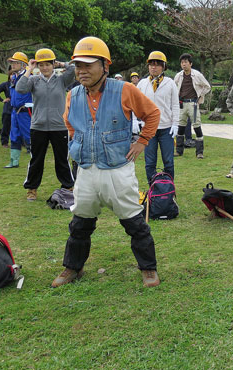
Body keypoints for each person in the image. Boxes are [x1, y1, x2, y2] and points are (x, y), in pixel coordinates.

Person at [51, 36, 161, 289]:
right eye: (78, 65)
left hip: (117, 170)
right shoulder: (73, 95)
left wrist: (142, 141)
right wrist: (76, 143)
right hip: (86, 171)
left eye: (88, 65)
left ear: (105, 66)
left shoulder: (124, 90)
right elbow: (69, 122)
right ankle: (72, 268)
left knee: (134, 221)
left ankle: (149, 269)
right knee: (80, 222)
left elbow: (152, 113)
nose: (81, 71)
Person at [15, 48, 76, 201]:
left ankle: (68, 186)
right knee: (36, 159)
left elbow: (74, 69)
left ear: (53, 65)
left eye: (48, 64)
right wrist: (29, 69)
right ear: (38, 66)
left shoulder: (62, 79)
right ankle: (32, 189)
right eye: (41, 65)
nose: (45, 68)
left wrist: (61, 63)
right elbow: (20, 88)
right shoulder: (34, 80)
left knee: (62, 159)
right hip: (38, 126)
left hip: (59, 126)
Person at [137, 51, 180, 181]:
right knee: (150, 162)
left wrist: (175, 124)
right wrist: (135, 120)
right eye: (151, 64)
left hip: (166, 128)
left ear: (163, 67)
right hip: (148, 129)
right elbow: (135, 103)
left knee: (168, 161)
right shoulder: (142, 84)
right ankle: (153, 189)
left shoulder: (170, 83)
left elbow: (175, 105)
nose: (153, 67)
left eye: (157, 64)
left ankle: (169, 188)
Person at [173, 53, 211, 158]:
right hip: (181, 104)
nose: (183, 64)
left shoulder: (197, 74)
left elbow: (207, 86)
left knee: (196, 126)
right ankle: (179, 151)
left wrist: (200, 96)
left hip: (193, 104)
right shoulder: (178, 75)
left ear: (191, 63)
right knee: (180, 127)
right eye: (182, 62)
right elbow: (173, 86)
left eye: (185, 62)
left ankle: (199, 152)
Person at [5, 52, 32, 168]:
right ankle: (14, 161)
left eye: (15, 63)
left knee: (29, 136)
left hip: (26, 112)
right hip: (14, 112)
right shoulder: (14, 78)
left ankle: (35, 160)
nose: (13, 65)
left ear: (23, 65)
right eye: (12, 62)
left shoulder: (29, 78)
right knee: (14, 136)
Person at [0, 69, 13, 148]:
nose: (13, 76)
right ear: (9, 76)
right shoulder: (5, 84)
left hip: (18, 108)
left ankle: (22, 142)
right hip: (8, 108)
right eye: (11, 74)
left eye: (14, 74)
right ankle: (4, 142)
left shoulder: (20, 84)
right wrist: (2, 100)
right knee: (6, 126)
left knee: (19, 126)